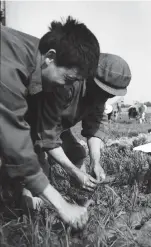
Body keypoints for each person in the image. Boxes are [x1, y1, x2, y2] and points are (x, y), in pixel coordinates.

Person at [0, 16, 100, 229]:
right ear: (50, 57)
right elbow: (13, 138)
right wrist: (62, 205)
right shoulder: (8, 65)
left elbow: (36, 134)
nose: (66, 87)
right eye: (68, 80)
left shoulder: (37, 60)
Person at [26, 53, 131, 201]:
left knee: (77, 152)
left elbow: (94, 126)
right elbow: (47, 136)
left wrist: (96, 162)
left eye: (110, 94)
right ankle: (22, 206)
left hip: (56, 127)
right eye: (103, 91)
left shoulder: (99, 96)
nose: (105, 97)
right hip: (29, 126)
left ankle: (79, 191)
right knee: (37, 172)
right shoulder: (66, 83)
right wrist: (73, 171)